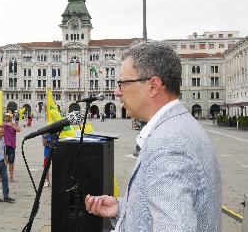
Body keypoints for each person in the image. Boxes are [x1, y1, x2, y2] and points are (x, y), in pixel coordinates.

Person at [85, 41, 222, 231]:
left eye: (123, 83)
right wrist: (124, 208)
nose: (117, 92)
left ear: (153, 86)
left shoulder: (169, 144)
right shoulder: (181, 125)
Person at [3, 112, 21, 182]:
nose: (7, 118)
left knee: (11, 162)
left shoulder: (13, 124)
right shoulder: (3, 124)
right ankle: (1, 175)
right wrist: (6, 124)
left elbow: (19, 130)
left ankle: (11, 176)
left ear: (11, 118)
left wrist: (11, 125)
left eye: (8, 117)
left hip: (12, 145)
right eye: (6, 117)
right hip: (4, 145)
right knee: (3, 161)